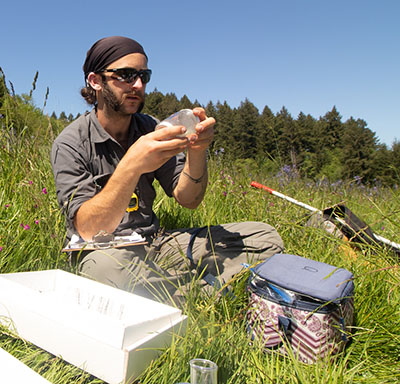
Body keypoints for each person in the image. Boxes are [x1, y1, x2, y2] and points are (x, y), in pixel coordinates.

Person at [51, 36, 284, 301]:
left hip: (155, 244)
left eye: (143, 76)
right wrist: (132, 163)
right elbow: (88, 229)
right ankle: (201, 292)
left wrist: (197, 151)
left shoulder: (150, 128)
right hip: (105, 251)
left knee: (265, 237)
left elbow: (189, 199)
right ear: (95, 81)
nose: (138, 85)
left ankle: (174, 295)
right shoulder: (70, 143)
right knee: (103, 271)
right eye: (126, 75)